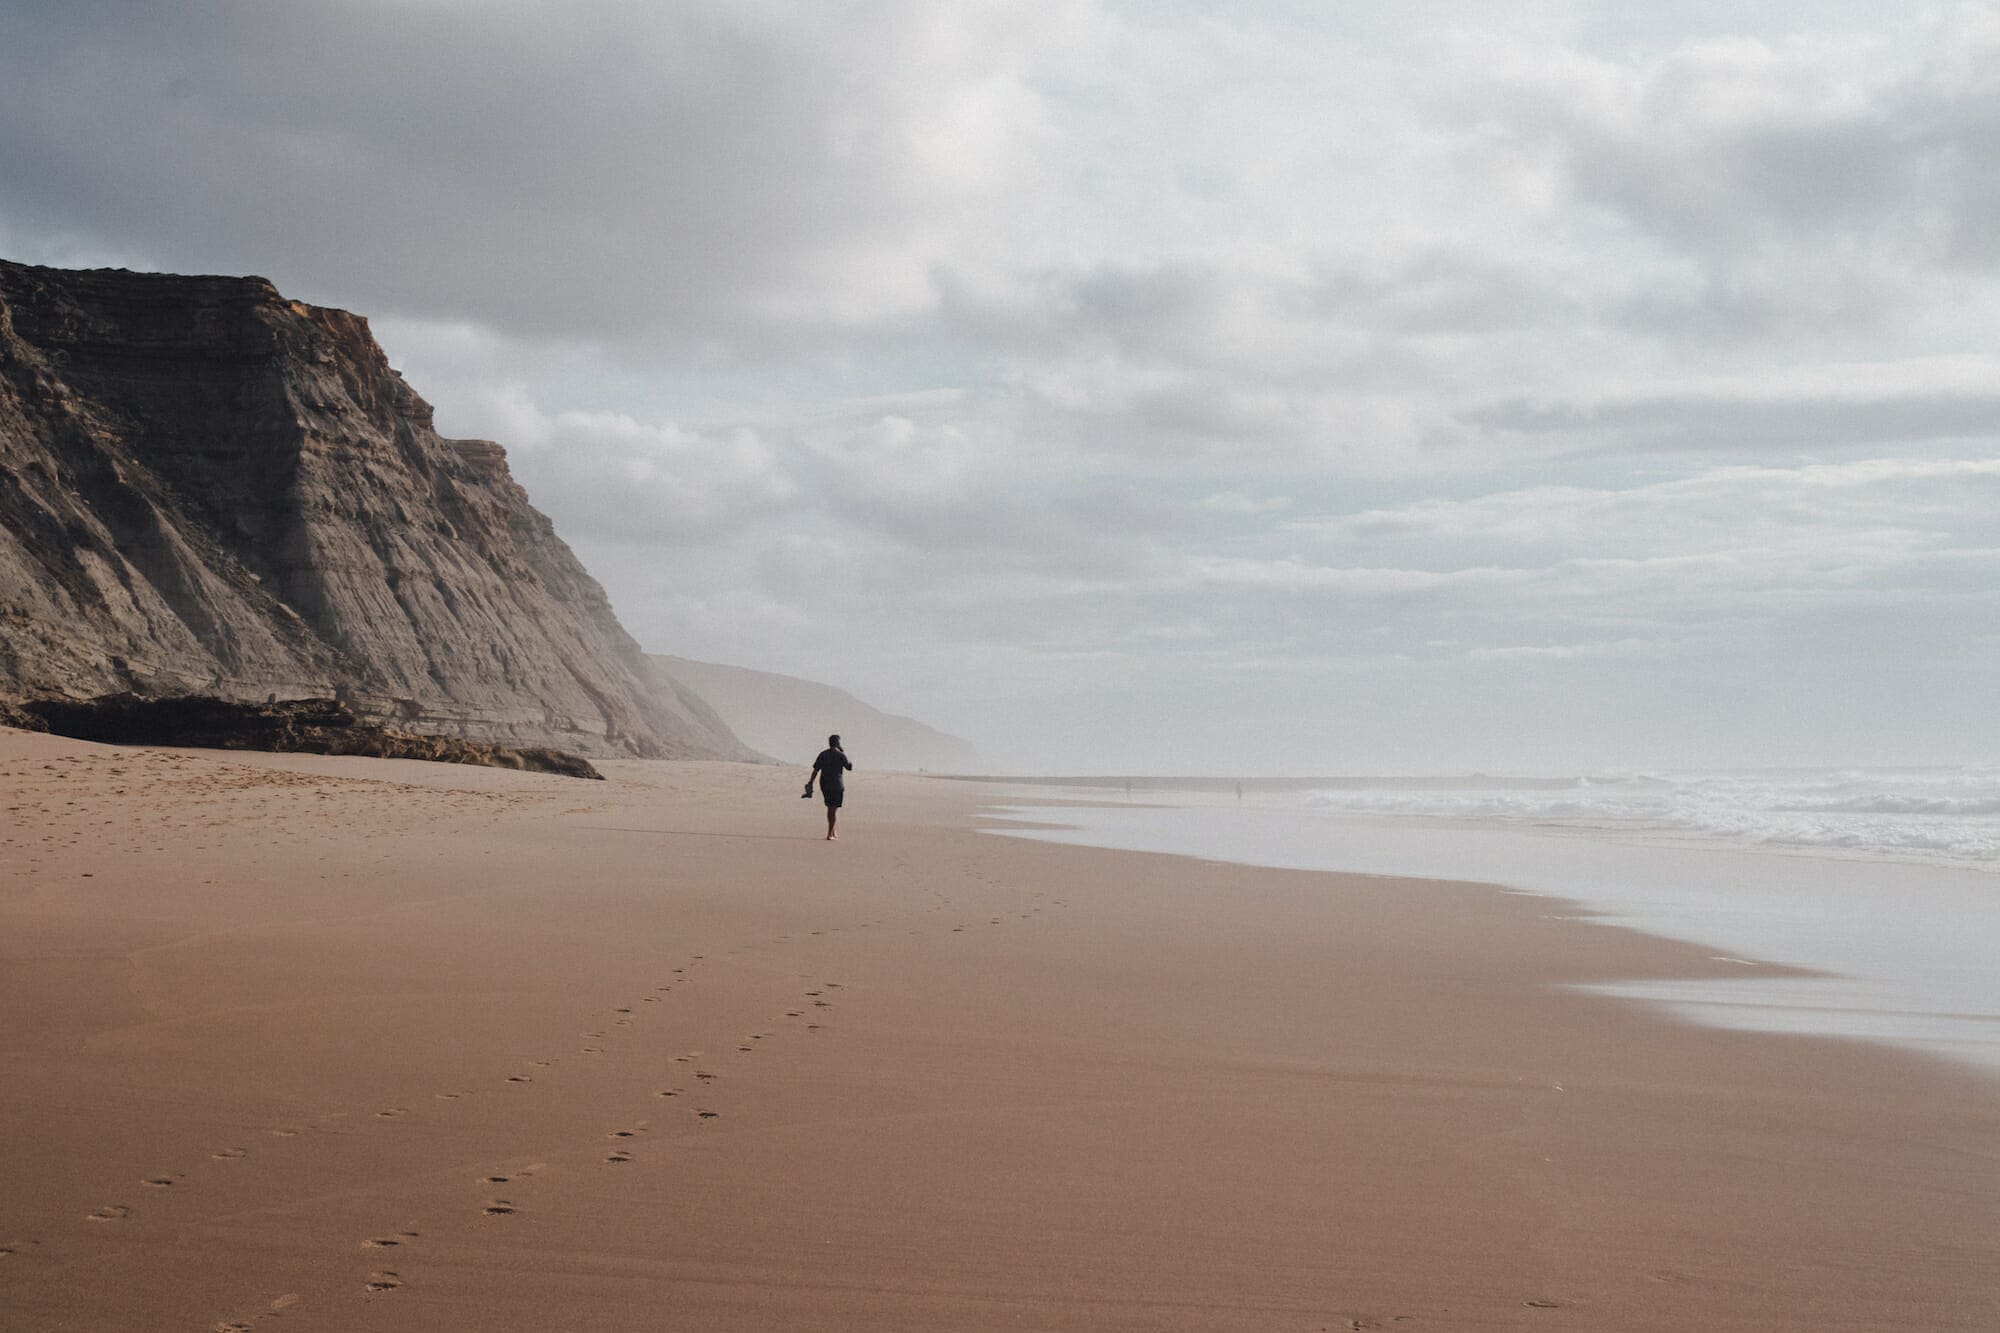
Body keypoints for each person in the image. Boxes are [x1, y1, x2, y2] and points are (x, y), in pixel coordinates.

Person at [804, 734, 853, 840]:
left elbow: (816, 770)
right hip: (836, 784)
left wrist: (811, 782)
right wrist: (843, 752)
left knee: (830, 808)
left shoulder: (823, 754)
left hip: (825, 784)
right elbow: (849, 767)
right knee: (833, 809)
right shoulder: (840, 755)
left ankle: (833, 830)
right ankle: (830, 834)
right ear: (838, 743)